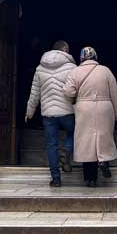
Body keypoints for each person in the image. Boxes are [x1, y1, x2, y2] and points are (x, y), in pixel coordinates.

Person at [63, 46, 117, 187]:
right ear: (95, 57)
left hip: (85, 108)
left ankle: (90, 179)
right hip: (105, 107)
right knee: (104, 138)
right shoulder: (106, 71)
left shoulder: (75, 72)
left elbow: (69, 92)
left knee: (86, 142)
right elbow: (114, 93)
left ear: (81, 58)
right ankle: (103, 161)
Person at [25, 39, 76, 187]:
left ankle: (56, 179)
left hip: (48, 113)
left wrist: (30, 111)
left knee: (51, 145)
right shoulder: (72, 67)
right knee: (75, 133)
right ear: (64, 50)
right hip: (67, 111)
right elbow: (76, 90)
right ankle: (66, 153)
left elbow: (35, 93)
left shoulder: (40, 68)